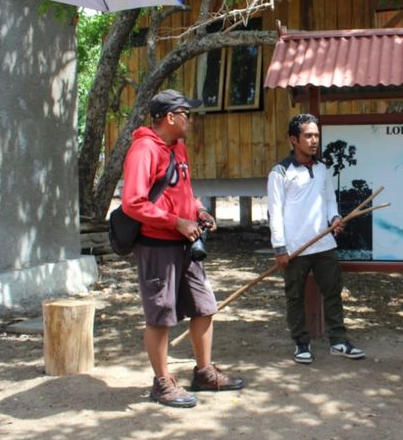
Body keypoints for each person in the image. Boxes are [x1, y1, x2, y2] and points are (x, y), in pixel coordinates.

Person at [122, 89, 244, 408]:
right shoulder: (144, 149)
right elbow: (133, 203)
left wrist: (199, 211)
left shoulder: (179, 148)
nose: (191, 119)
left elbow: (184, 191)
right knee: (160, 315)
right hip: (157, 243)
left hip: (186, 243)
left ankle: (203, 372)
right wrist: (176, 222)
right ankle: (162, 383)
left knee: (204, 306)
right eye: (187, 114)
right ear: (171, 117)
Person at [267, 113, 365, 364]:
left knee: (333, 292)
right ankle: (301, 343)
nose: (314, 141)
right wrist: (280, 248)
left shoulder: (322, 169)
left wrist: (334, 219)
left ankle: (338, 341)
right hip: (295, 248)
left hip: (323, 244)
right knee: (295, 296)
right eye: (308, 136)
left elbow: (329, 200)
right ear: (293, 139)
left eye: (316, 136)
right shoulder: (280, 172)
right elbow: (275, 213)